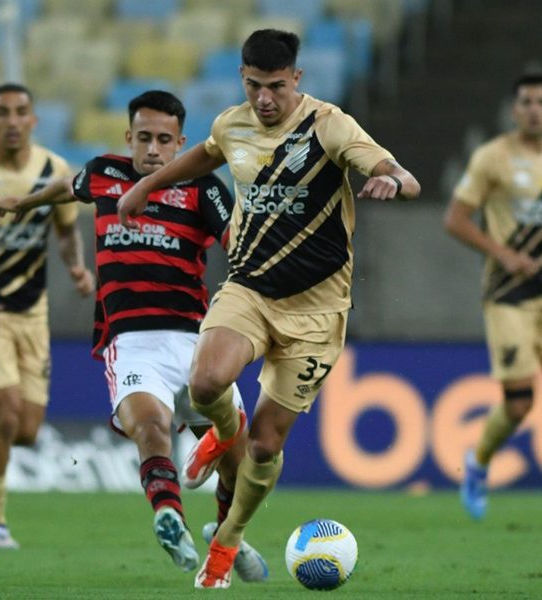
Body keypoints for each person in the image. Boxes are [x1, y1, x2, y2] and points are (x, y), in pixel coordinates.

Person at [117, 29, 421, 589]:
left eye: (276, 86)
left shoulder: (328, 125)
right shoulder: (231, 124)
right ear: (242, 78)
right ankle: (220, 434)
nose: (264, 99)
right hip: (251, 291)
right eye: (254, 85)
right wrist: (146, 188)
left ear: (296, 80)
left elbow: (397, 171)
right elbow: (203, 157)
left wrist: (391, 179)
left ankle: (227, 541)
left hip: (317, 313)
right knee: (206, 383)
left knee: (265, 444)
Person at [0, 90, 268, 580]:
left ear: (181, 143)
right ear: (128, 137)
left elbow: (238, 246)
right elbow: (68, 187)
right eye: (144, 138)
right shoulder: (104, 173)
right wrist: (25, 202)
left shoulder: (202, 187)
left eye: (164, 140)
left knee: (238, 459)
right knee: (151, 430)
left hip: (196, 343)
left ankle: (228, 537)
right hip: (132, 342)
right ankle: (169, 517)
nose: (153, 150)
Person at [0, 82, 95, 549]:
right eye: (2, 112)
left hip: (33, 312)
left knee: (25, 431)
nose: (12, 120)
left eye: (21, 112)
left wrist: (75, 266)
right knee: (5, 415)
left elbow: (66, 228)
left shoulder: (54, 169)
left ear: (33, 120)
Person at [444, 72, 542, 520]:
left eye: (540, 102)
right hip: (510, 295)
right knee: (519, 402)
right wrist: (504, 254)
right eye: (525, 102)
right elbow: (456, 219)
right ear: (513, 108)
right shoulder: (493, 157)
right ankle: (479, 462)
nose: (534, 110)